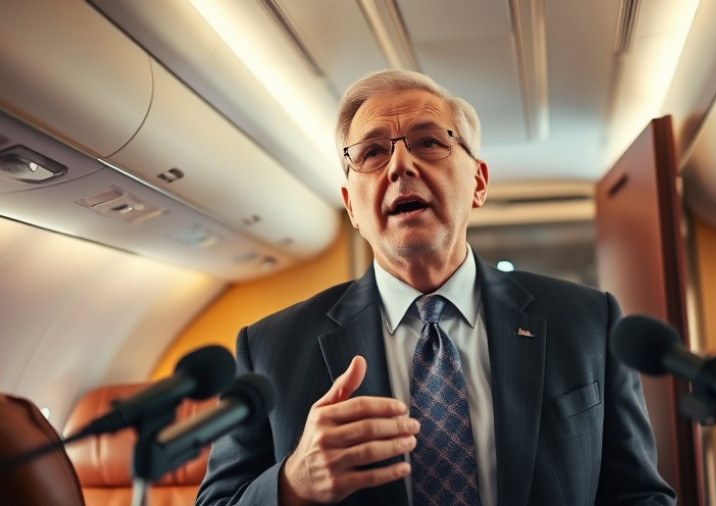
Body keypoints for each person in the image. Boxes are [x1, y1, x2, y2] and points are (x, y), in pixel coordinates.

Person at [195, 69, 676, 506]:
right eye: (372, 152)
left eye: (428, 142)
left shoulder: (589, 321)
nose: (399, 166)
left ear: (479, 182)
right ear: (351, 207)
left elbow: (638, 495)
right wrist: (293, 483)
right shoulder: (268, 349)